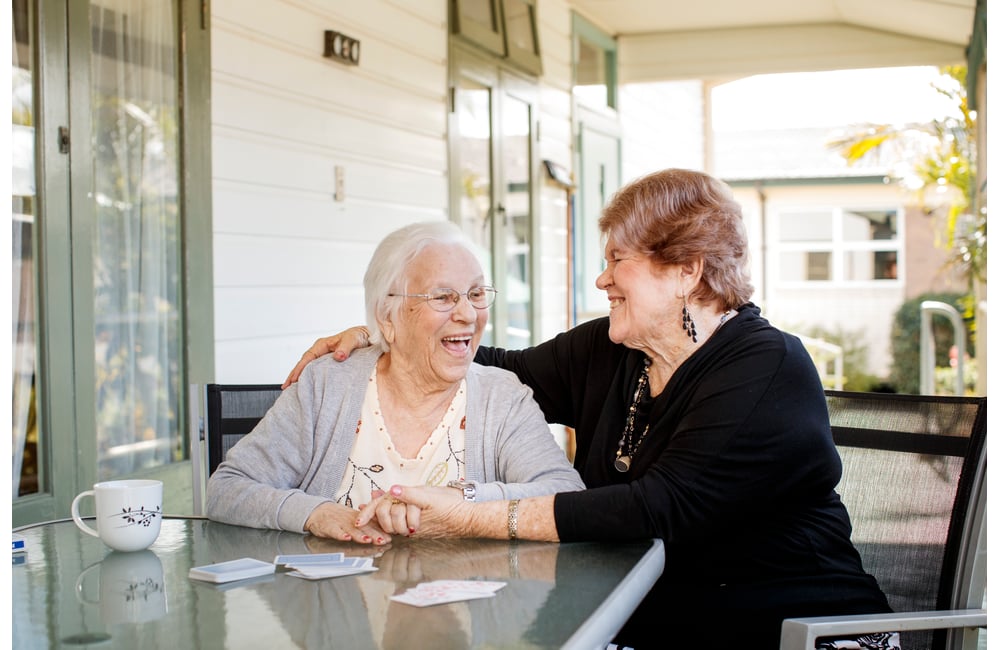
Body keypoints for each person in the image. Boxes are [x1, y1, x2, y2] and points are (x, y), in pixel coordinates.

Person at [284, 169, 892, 648]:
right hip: (644, 623)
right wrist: (386, 333)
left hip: (793, 627)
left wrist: (468, 515)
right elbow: (493, 366)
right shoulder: (611, 350)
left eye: (618, 260)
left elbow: (657, 508)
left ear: (686, 271)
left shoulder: (766, 367)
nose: (602, 280)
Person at [207, 221, 584, 544]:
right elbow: (228, 487)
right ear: (387, 318)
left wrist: (463, 500)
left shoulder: (502, 397)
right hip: (338, 604)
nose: (468, 314)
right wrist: (315, 513)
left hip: (468, 603)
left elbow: (565, 494)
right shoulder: (326, 386)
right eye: (443, 297)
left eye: (475, 294)